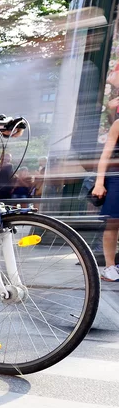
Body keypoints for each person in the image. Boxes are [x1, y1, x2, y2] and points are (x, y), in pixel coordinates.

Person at [88, 65, 119, 281]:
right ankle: (110, 267)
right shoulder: (118, 124)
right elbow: (105, 156)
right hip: (117, 179)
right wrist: (99, 183)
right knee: (113, 223)